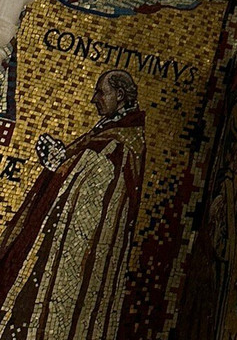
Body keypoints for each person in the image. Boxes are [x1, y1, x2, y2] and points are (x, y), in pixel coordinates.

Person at [0, 70, 146, 340]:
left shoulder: (125, 141)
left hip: (79, 248)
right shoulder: (108, 130)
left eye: (100, 92)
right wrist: (60, 159)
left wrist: (62, 165)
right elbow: (78, 162)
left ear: (120, 95)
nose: (94, 99)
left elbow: (102, 185)